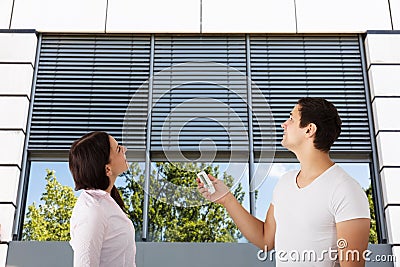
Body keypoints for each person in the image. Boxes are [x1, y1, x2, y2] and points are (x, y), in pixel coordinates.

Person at [198, 97, 370, 266]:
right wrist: (227, 199)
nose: (284, 124)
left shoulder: (346, 190)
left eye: (291, 118)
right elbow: (266, 239)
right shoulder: (285, 183)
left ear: (309, 130)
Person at [69, 131, 136, 267]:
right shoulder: (92, 210)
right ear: (107, 169)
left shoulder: (107, 201)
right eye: (118, 149)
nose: (124, 149)